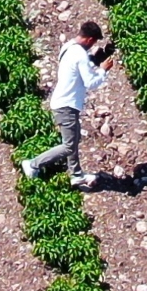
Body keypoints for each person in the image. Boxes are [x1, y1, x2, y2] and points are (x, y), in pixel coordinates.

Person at [26, 21, 115, 188]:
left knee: (73, 140)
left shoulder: (69, 47)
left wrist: (97, 58)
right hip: (66, 104)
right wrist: (103, 69)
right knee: (69, 145)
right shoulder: (80, 54)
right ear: (89, 39)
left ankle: (76, 175)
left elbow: (78, 69)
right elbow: (90, 82)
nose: (93, 45)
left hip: (64, 102)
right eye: (94, 42)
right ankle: (32, 164)